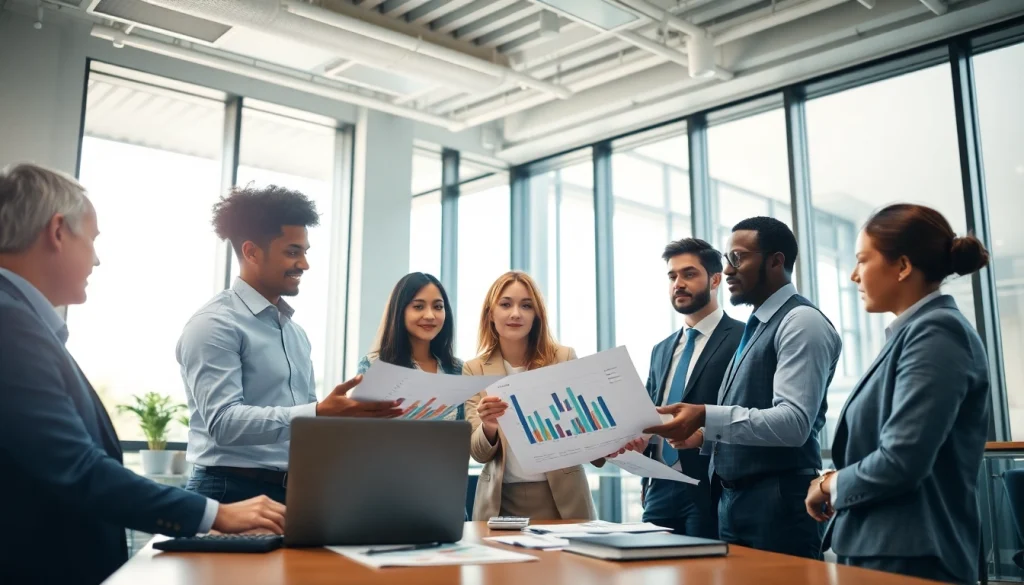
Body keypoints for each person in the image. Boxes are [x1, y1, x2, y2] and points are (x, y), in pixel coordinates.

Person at [0, 163, 286, 585]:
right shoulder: (9, 322)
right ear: (58, 232)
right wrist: (216, 513)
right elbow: (75, 467)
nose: (97, 258)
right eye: (92, 240)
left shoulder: (22, 320)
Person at [177, 185, 402, 505]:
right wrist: (320, 411)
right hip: (228, 490)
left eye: (305, 252)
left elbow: (304, 425)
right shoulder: (214, 324)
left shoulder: (295, 333)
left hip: (292, 489)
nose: (305, 264)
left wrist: (349, 418)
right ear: (252, 252)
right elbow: (223, 423)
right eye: (293, 251)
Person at [805, 204, 990, 585]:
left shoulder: (937, 332)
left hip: (912, 557)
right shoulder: (914, 332)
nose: (854, 274)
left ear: (903, 266)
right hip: (890, 550)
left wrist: (829, 484)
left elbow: (902, 460)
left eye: (862, 260)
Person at [644, 217, 841, 559]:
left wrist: (705, 415)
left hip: (776, 502)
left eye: (738, 258)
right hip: (735, 501)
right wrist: (703, 436)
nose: (729, 268)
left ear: (776, 261)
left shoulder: (800, 322)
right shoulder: (759, 326)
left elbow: (794, 423)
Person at [464, 271, 602, 521]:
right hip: (499, 503)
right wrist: (488, 426)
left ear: (536, 316)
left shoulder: (563, 358)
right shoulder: (474, 369)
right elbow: (479, 453)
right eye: (505, 304)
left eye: (526, 305)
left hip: (563, 501)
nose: (516, 313)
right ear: (490, 314)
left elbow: (588, 427)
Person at [629, 238, 743, 537]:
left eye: (689, 274)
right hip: (660, 487)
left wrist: (704, 436)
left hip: (712, 488)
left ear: (715, 279)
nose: (678, 283)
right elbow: (651, 414)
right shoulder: (661, 349)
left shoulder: (743, 339)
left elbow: (750, 411)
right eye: (672, 276)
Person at [357, 272, 465, 420]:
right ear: (400, 311)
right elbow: (362, 428)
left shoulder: (458, 369)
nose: (430, 315)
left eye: (438, 307)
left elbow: (467, 432)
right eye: (419, 306)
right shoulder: (374, 364)